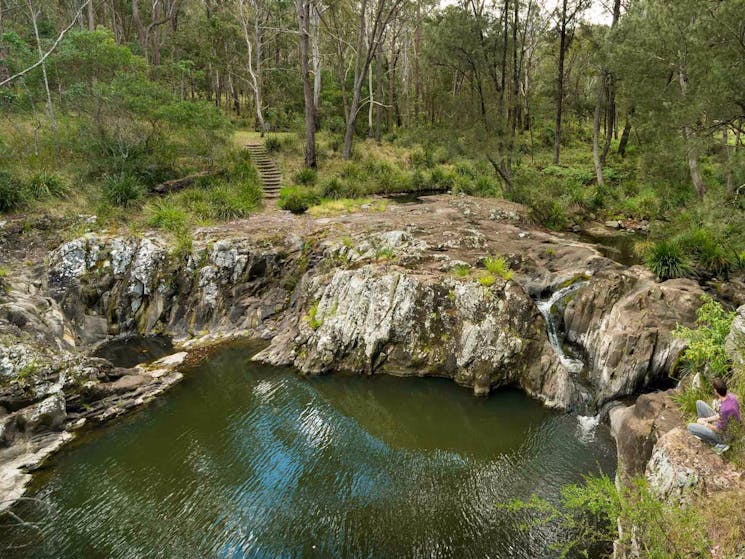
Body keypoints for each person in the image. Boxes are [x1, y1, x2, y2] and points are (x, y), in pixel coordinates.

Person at [687, 377, 741, 455]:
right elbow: (719, 416)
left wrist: (705, 424)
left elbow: (719, 430)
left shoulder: (725, 410)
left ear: (716, 391)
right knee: (699, 403)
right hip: (729, 427)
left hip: (725, 436)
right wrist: (706, 419)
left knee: (690, 427)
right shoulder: (731, 396)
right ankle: (703, 431)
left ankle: (713, 441)